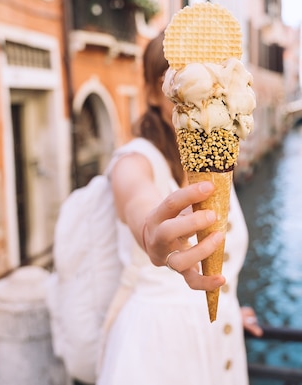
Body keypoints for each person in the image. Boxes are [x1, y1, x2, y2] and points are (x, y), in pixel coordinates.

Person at [96, 31, 262, 385]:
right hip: (154, 351)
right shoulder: (135, 159)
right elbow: (136, 198)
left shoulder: (218, 163)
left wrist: (229, 306)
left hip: (218, 345)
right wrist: (149, 233)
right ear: (155, 92)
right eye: (178, 78)